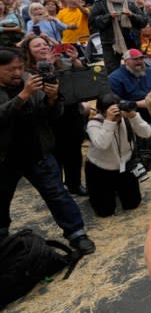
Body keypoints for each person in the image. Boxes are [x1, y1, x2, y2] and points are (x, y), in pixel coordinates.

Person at [0, 49, 95, 253]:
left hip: (37, 152)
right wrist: (23, 96)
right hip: (5, 158)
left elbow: (51, 116)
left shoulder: (30, 80)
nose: (17, 73)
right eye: (11, 69)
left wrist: (52, 99)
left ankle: (77, 233)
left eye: (20, 67)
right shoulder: (26, 87)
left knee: (57, 194)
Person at [22, 34, 89, 196]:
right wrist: (47, 66)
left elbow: (83, 79)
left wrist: (74, 60)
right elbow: (41, 92)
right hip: (49, 117)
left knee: (74, 152)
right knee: (55, 155)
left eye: (45, 44)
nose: (43, 47)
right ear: (29, 52)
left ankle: (74, 184)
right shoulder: (26, 71)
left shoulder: (62, 62)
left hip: (71, 113)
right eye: (37, 46)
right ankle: (59, 188)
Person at [84, 93, 151, 217]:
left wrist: (133, 116)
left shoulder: (126, 118)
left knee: (133, 204)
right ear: (101, 111)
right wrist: (109, 121)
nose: (117, 114)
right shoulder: (94, 124)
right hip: (101, 169)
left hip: (125, 166)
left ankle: (115, 193)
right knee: (105, 212)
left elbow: (146, 133)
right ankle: (99, 195)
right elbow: (102, 145)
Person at [88, 0, 148, 75]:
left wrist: (131, 15)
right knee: (112, 71)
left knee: (137, 68)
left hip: (131, 42)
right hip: (111, 43)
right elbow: (93, 23)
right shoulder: (99, 4)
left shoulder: (130, 3)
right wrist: (109, 17)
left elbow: (143, 21)